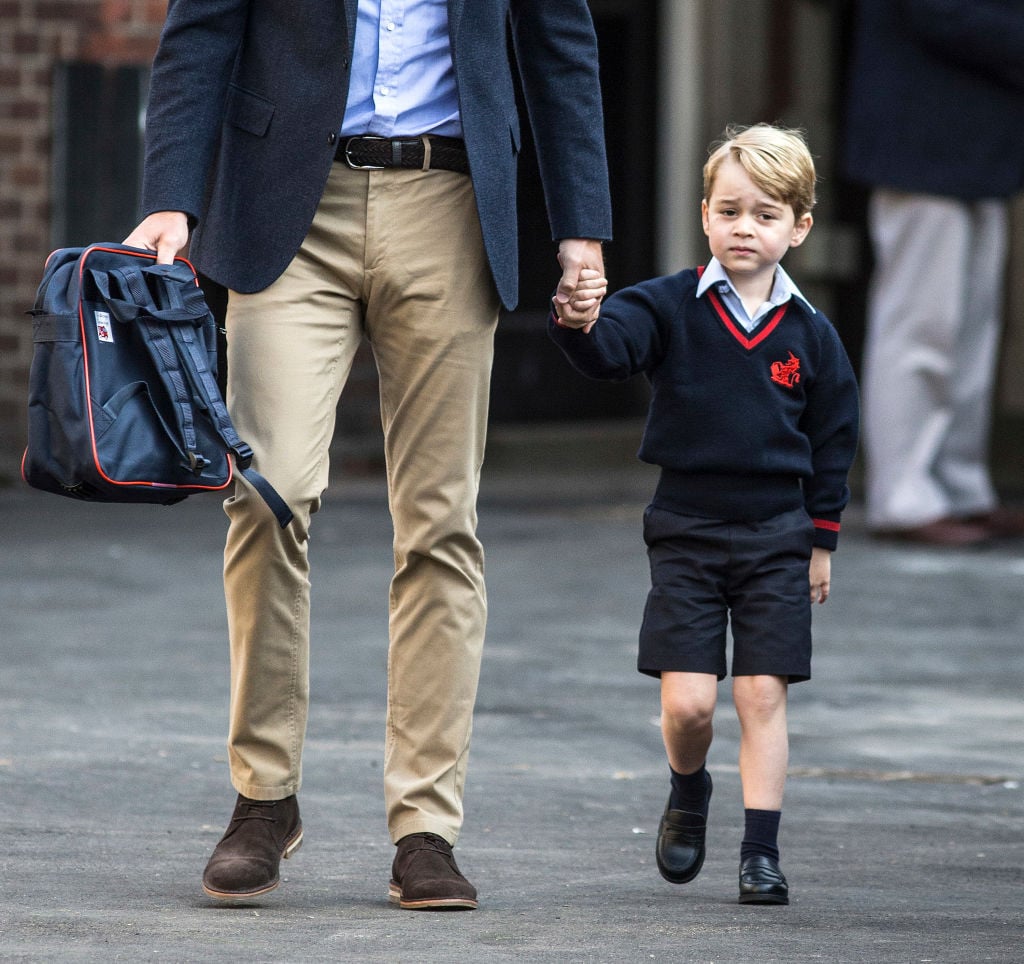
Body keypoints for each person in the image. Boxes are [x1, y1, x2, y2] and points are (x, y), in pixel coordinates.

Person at [124, 0, 611, 910]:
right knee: (268, 495)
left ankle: (426, 828)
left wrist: (581, 224)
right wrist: (170, 198)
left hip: (450, 200)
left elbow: (559, 40)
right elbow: (201, 32)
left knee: (440, 523)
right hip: (286, 204)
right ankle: (264, 798)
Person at [549, 124, 859, 904]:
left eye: (764, 215)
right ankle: (690, 789)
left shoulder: (813, 337)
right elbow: (610, 350)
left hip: (778, 536)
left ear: (800, 228)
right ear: (704, 216)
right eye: (729, 212)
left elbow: (833, 440)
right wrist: (581, 321)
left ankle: (761, 853)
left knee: (761, 693)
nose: (744, 228)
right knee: (689, 704)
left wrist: (822, 540)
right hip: (686, 529)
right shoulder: (667, 306)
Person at [841, 0, 1024, 547]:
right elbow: (942, 11)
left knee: (972, 330)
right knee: (922, 324)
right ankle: (904, 495)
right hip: (924, 133)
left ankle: (958, 488)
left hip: (978, 140)